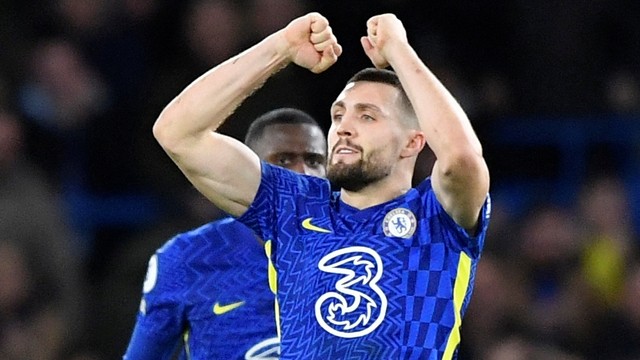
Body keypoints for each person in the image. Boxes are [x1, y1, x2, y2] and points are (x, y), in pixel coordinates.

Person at [153, 12, 491, 359]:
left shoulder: (437, 216)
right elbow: (177, 133)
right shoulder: (290, 208)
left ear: (413, 143)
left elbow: (462, 158)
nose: (343, 127)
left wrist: (399, 52)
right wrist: (280, 46)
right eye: (338, 114)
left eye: (367, 116)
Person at [123, 108, 327, 359]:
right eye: (284, 160)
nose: (302, 173)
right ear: (250, 169)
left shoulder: (354, 251)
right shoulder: (188, 258)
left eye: (315, 161)